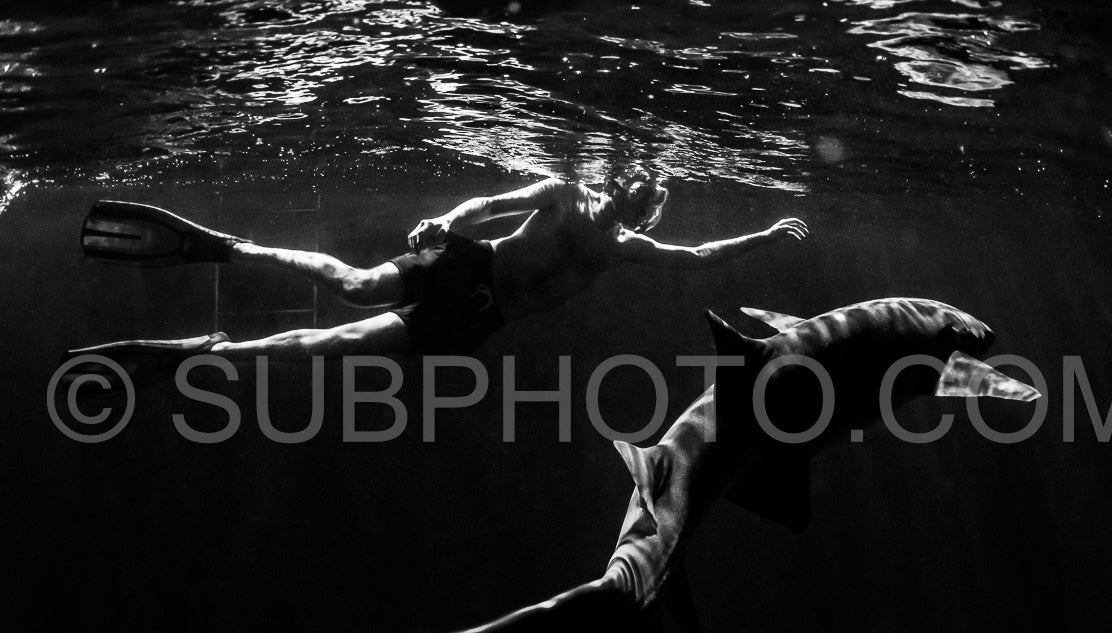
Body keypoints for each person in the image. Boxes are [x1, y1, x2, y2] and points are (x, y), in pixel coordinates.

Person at [64, 167, 807, 381]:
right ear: (612, 184)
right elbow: (487, 203)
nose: (622, 209)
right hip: (464, 265)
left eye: (636, 208)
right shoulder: (559, 195)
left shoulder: (624, 251)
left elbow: (702, 257)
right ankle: (229, 247)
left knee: (329, 350)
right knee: (352, 285)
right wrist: (448, 223)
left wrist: (767, 238)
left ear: (642, 215)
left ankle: (214, 353)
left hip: (476, 320)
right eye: (622, 194)